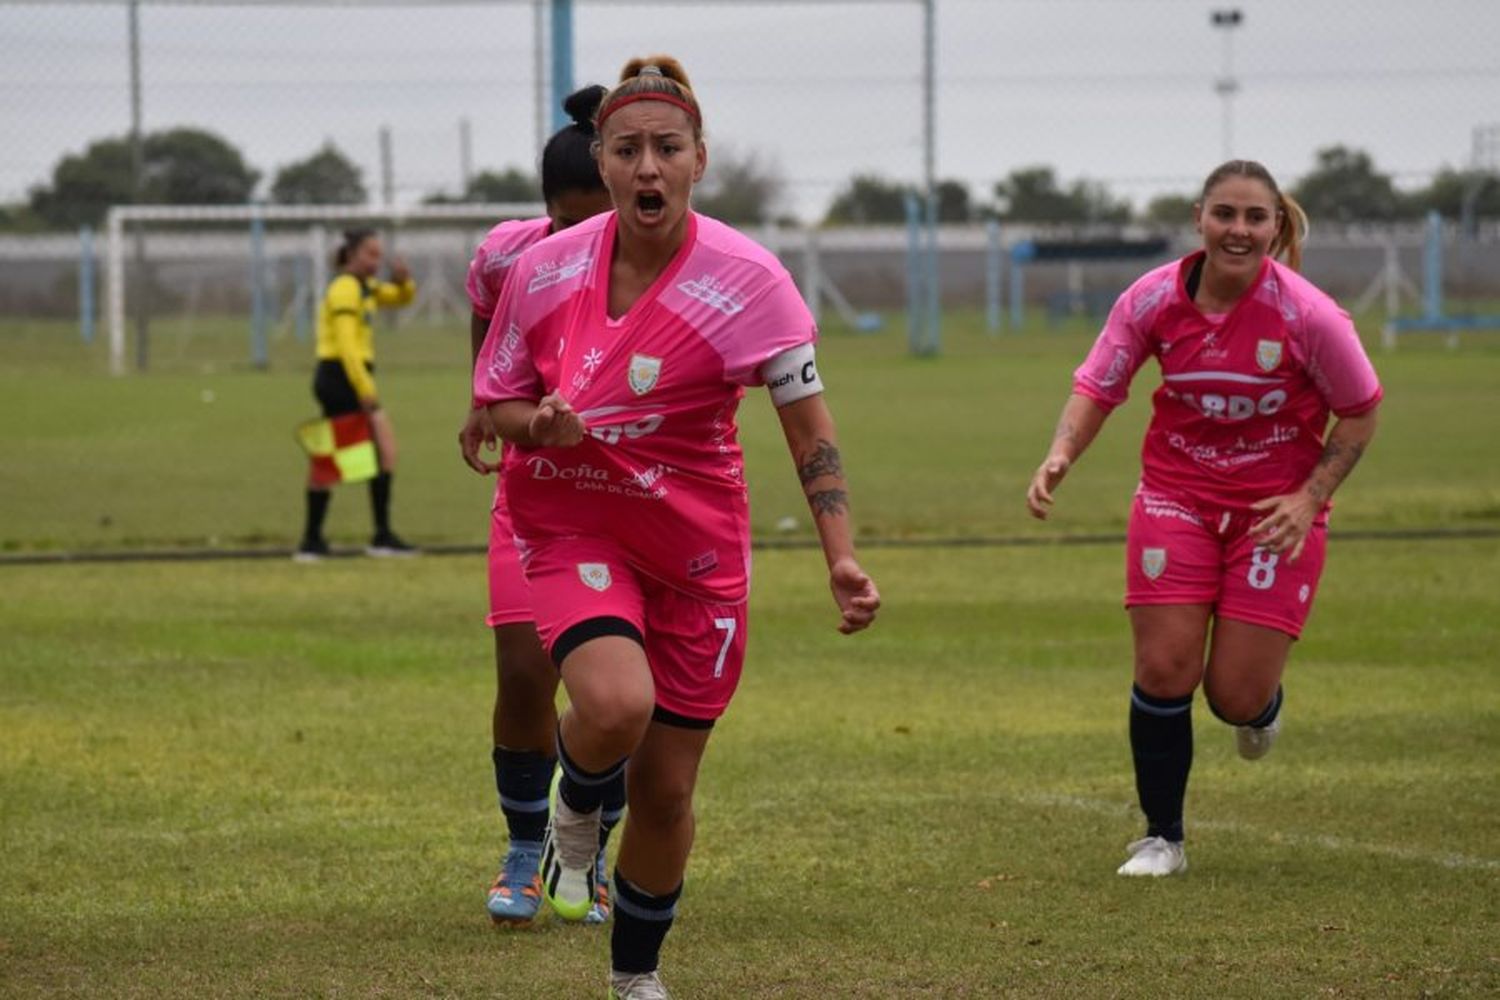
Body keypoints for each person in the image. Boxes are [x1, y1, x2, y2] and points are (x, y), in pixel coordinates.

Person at [473, 56, 880, 999]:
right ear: (603, 165)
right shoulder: (540, 271)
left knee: (664, 790)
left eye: (667, 148)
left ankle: (635, 978)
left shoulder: (754, 282)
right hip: (574, 528)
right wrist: (537, 424)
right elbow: (493, 405)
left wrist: (843, 556)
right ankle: (575, 807)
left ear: (700, 158)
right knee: (615, 706)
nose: (647, 167)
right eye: (628, 150)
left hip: (695, 553)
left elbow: (809, 429)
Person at [1025, 159, 1382, 878]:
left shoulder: (1308, 315)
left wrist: (1310, 497)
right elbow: (1099, 386)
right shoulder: (1151, 298)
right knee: (1164, 667)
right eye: (1225, 214)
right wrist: (1061, 453)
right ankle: (1163, 838)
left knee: (1234, 695)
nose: (1239, 230)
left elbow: (1362, 410)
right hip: (1174, 497)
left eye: (1255, 217)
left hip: (1272, 514)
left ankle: (1261, 708)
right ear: (1199, 219)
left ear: (1276, 225)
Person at [456, 84, 616, 927]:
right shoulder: (509, 256)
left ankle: (584, 852)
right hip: (532, 492)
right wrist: (484, 399)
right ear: (549, 209)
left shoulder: (661, 265)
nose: (588, 239)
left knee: (613, 693)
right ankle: (524, 851)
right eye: (571, 221)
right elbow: (486, 315)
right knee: (523, 671)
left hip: (631, 501)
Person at [295, 229, 417, 560]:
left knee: (350, 456)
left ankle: (319, 539)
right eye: (370, 255)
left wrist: (404, 281)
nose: (376, 262)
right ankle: (371, 538)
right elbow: (348, 346)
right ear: (351, 254)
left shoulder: (365, 286)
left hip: (345, 378)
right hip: (341, 378)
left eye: (379, 255)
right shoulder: (345, 289)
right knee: (371, 453)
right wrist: (365, 390)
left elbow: (401, 298)